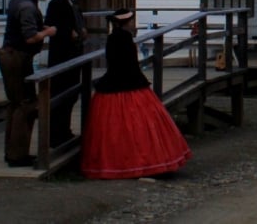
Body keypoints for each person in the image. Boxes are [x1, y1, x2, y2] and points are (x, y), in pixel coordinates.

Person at [80, 9, 192, 179]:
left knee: (114, 126)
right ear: (126, 23)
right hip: (129, 81)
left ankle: (116, 164)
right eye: (132, 21)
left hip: (113, 81)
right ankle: (140, 163)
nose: (133, 24)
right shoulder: (125, 38)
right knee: (139, 125)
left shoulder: (112, 38)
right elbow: (129, 62)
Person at [0, 0, 57, 167]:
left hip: (12, 55)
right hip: (17, 57)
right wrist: (48, 32)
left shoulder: (19, 0)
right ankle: (17, 155)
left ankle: (12, 151)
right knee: (25, 104)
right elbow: (30, 37)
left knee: (15, 104)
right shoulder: (27, 6)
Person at [44, 0, 87, 145]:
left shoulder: (74, 4)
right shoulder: (57, 4)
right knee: (60, 93)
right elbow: (51, 26)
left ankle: (65, 130)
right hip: (61, 55)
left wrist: (82, 30)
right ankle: (55, 134)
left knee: (71, 94)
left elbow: (77, 22)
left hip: (73, 54)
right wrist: (67, 33)